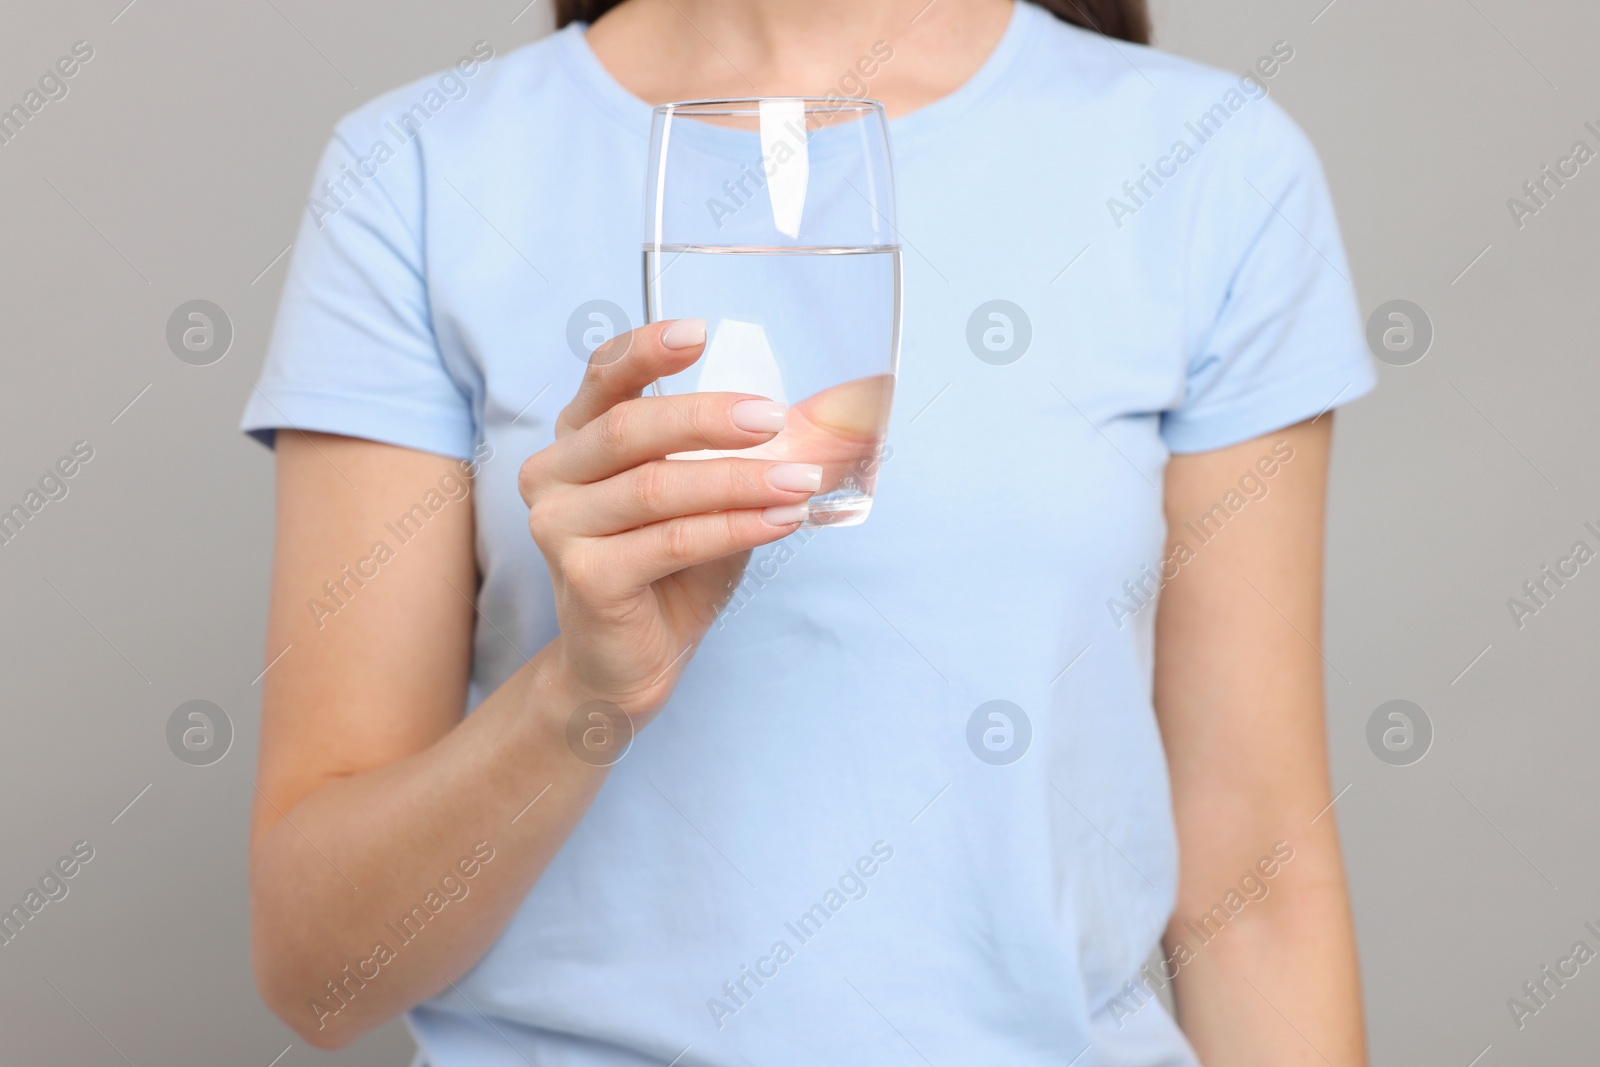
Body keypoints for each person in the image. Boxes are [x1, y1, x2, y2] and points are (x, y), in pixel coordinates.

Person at [242, 0, 1373, 1063]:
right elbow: (320, 968)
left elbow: (1253, 892)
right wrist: (583, 694)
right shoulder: (422, 170)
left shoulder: (1209, 161)